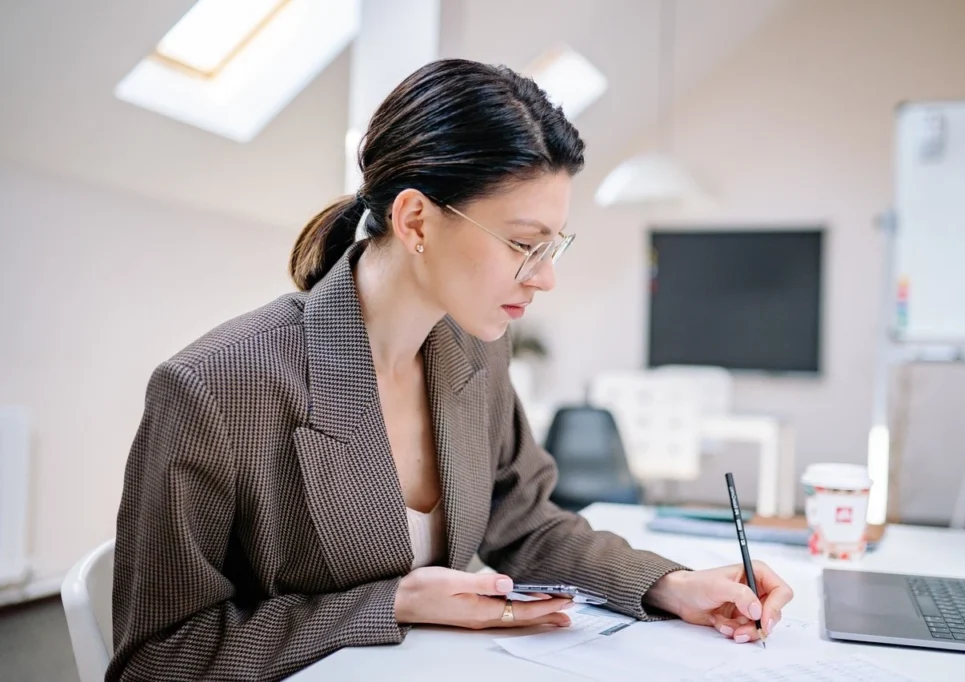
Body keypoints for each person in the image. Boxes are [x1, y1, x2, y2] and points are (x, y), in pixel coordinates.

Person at [107, 58, 793, 682]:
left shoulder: (473, 345)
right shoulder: (216, 389)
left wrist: (670, 584)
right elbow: (159, 657)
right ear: (415, 221)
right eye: (524, 244)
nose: (546, 277)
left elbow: (523, 523)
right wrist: (390, 604)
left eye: (555, 246)